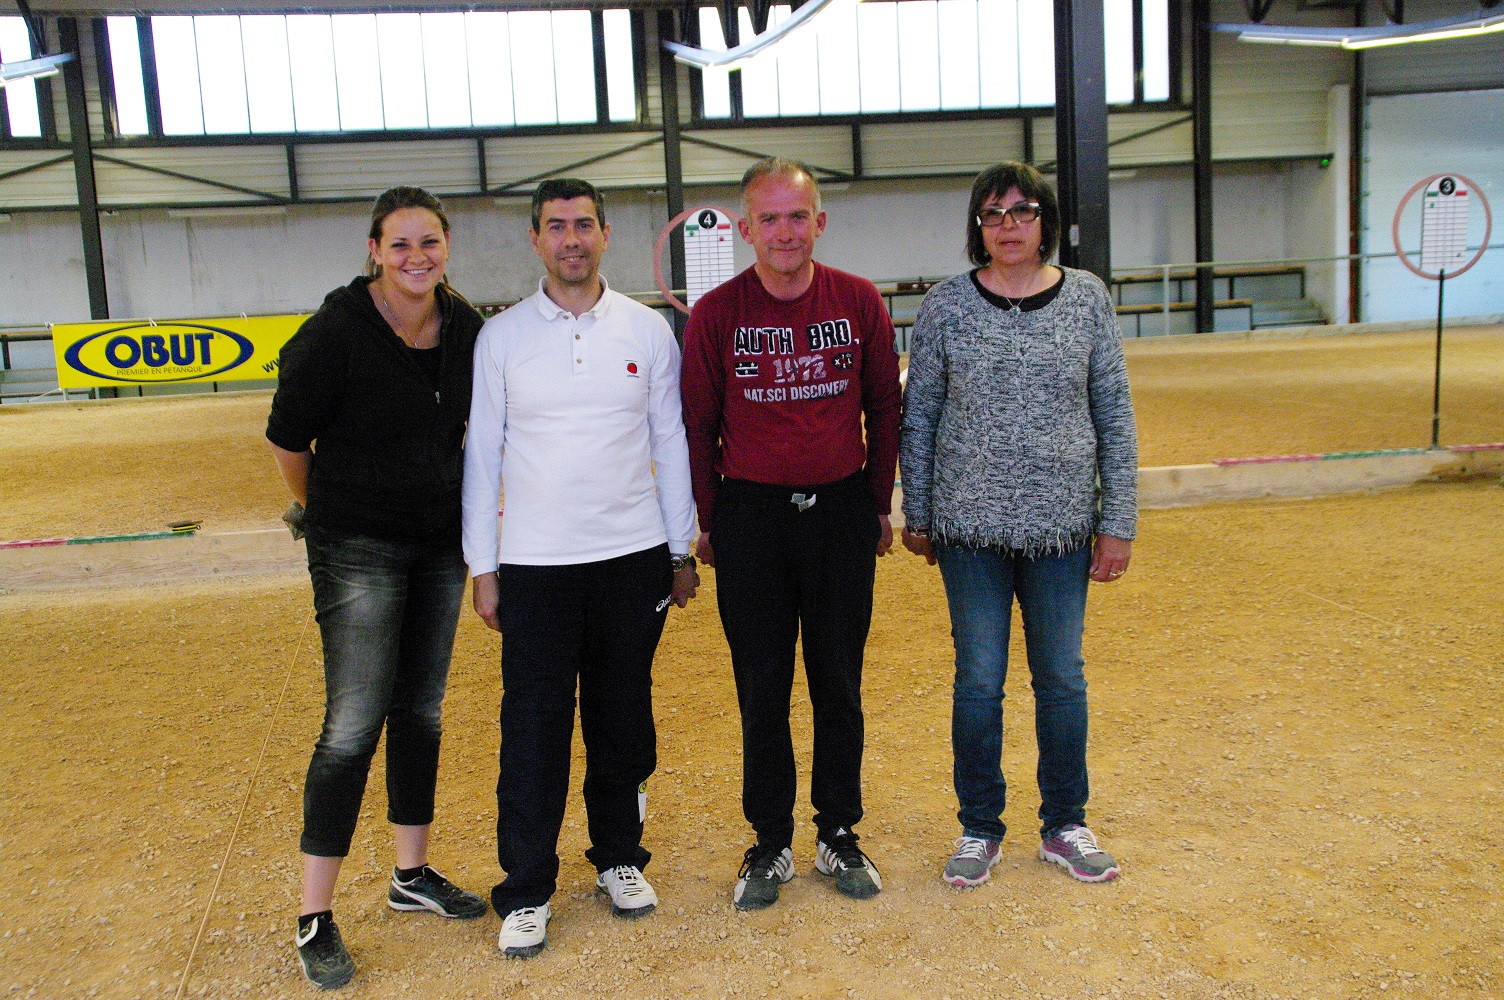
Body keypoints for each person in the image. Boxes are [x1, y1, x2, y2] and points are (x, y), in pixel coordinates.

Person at [462, 178, 699, 958]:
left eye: (584, 226)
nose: (571, 239)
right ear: (535, 238)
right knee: (533, 729)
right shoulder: (500, 340)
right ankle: (525, 888)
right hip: (535, 568)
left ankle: (620, 858)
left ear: (605, 236)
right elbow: (483, 458)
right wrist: (483, 566)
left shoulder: (647, 331)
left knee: (622, 719)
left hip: (632, 561)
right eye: (556, 227)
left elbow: (671, 442)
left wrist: (679, 548)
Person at [266, 186, 489, 990]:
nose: (416, 257)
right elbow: (289, 438)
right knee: (353, 724)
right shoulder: (333, 333)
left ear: (446, 245)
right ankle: (314, 915)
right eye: (400, 245)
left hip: (438, 545)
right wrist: (314, 510)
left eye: (428, 242)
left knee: (419, 710)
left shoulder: (464, 325)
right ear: (373, 251)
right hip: (355, 544)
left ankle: (409, 875)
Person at [898, 161, 1137, 890]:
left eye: (1023, 211)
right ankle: (979, 827)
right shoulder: (944, 307)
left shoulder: (1088, 299)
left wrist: (1117, 519)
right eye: (994, 212)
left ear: (1045, 222)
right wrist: (919, 511)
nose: (1008, 225)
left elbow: (1114, 412)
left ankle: (1065, 822)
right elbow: (922, 413)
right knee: (978, 682)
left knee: (1061, 679)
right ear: (977, 225)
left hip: (1063, 529)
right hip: (969, 532)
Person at [680, 157, 902, 911]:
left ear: (819, 222)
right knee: (762, 688)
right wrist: (710, 520)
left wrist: (877, 502)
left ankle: (838, 830)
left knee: (839, 683)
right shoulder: (715, 315)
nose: (784, 231)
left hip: (840, 512)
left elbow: (884, 409)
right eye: (768, 218)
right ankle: (769, 840)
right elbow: (697, 425)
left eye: (796, 215)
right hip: (750, 519)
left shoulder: (860, 302)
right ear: (745, 229)